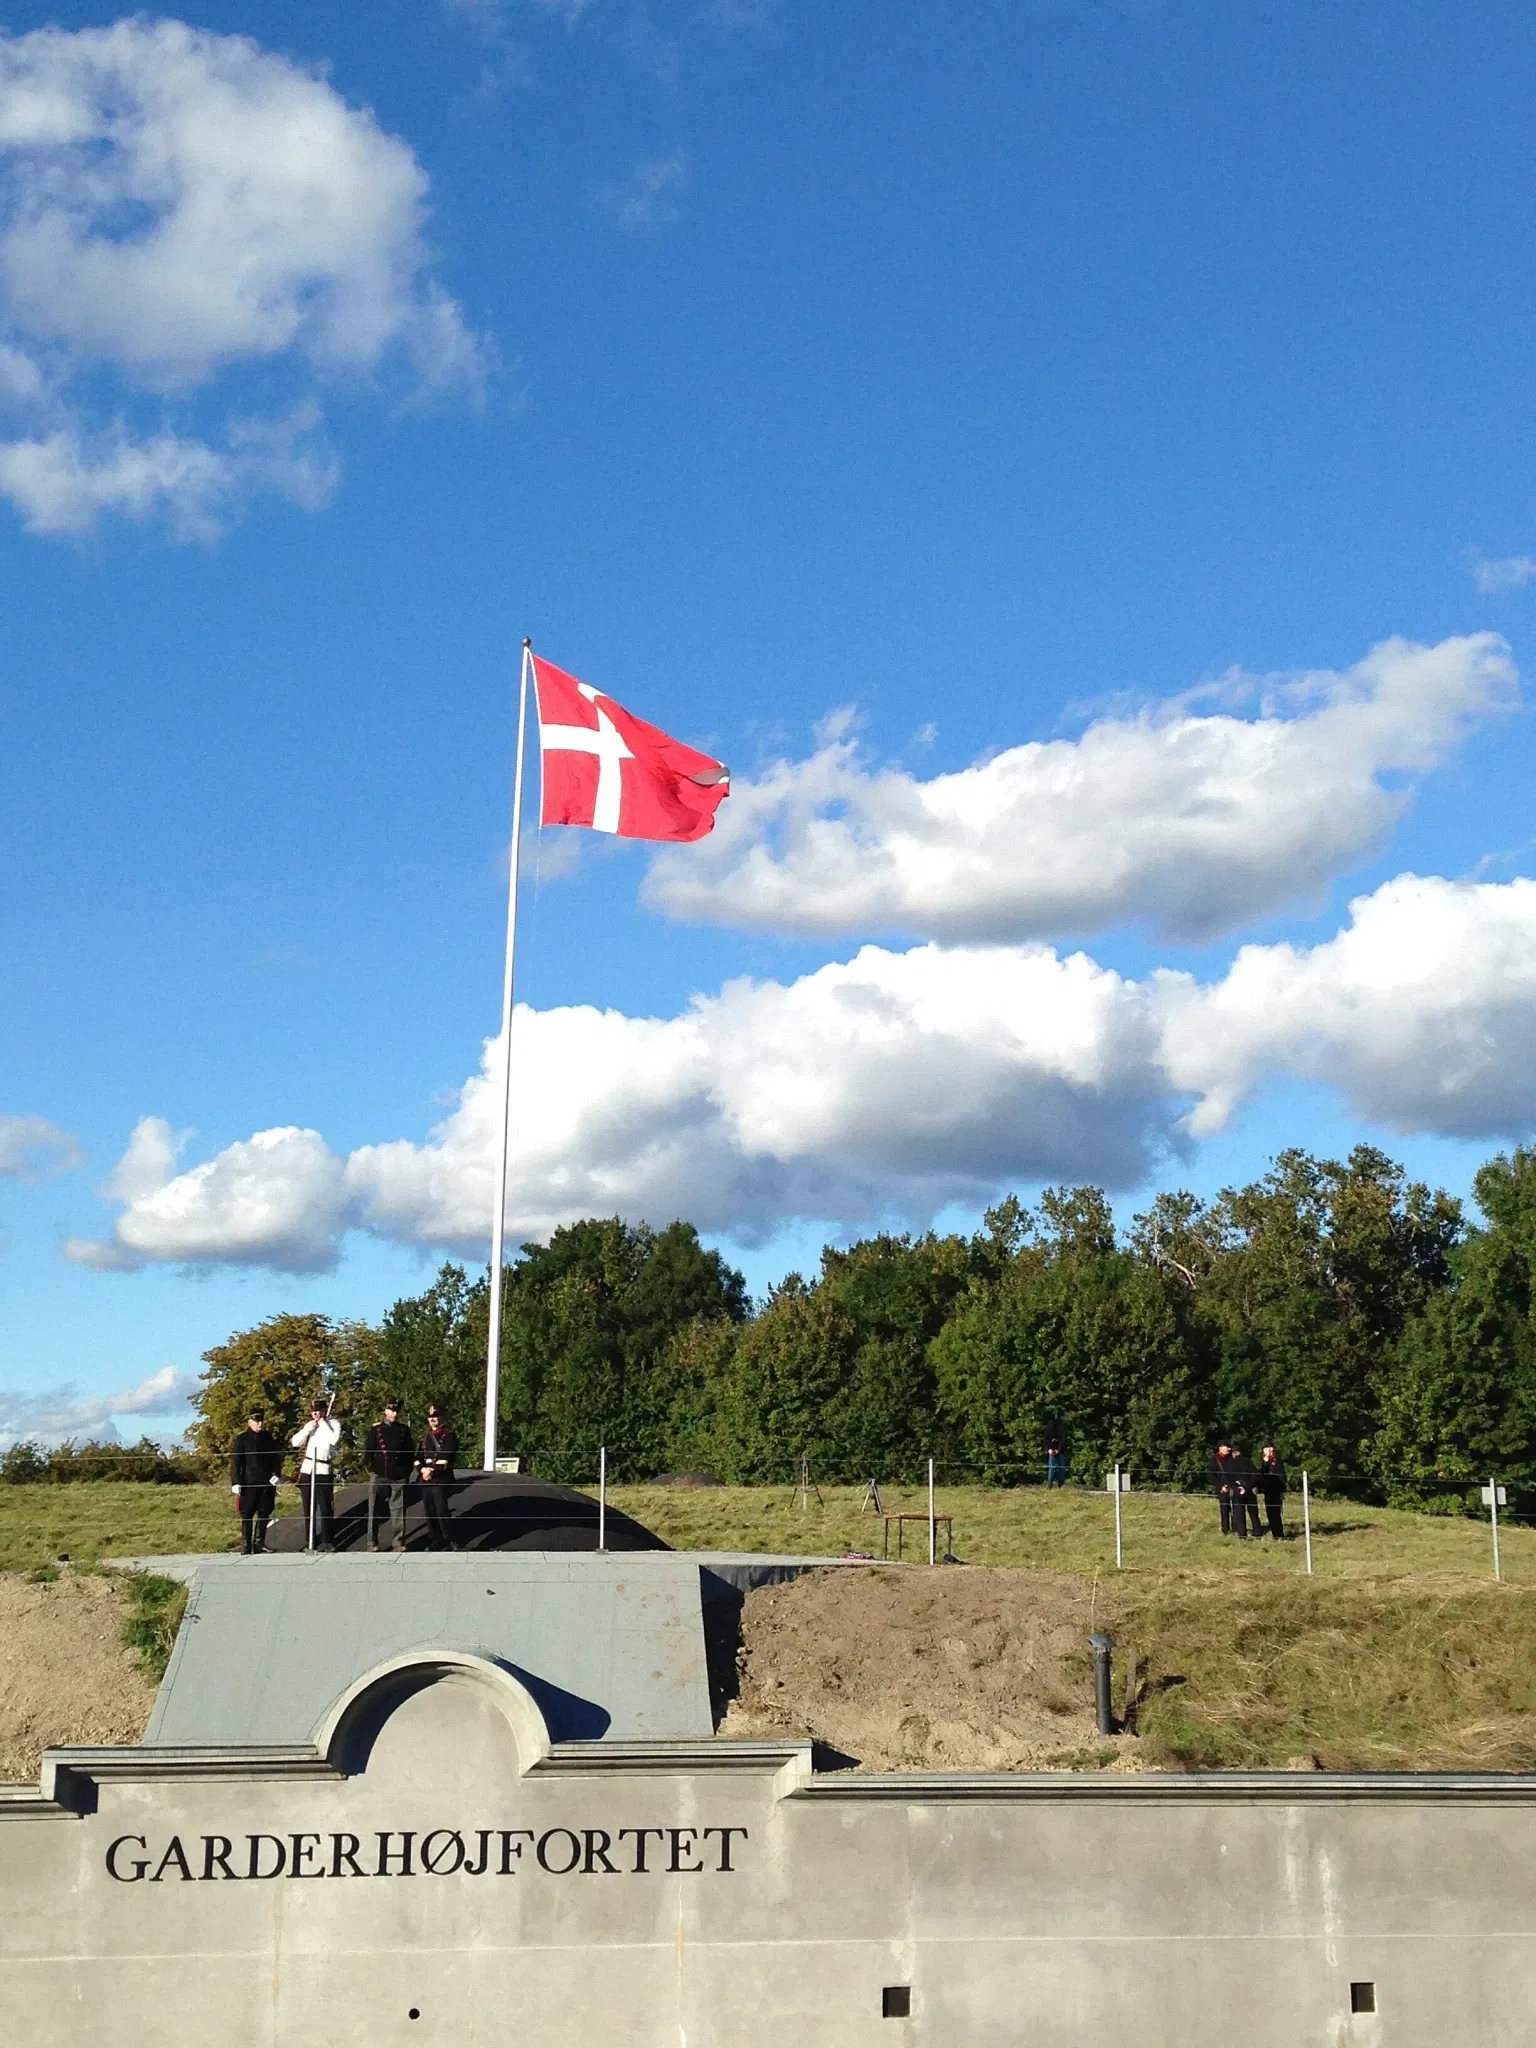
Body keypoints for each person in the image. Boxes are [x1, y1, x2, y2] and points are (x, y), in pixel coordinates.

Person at [229, 1407, 283, 1555]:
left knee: (264, 1512)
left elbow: (275, 1458)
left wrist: (277, 1474)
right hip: (249, 1482)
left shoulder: (268, 1437)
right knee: (247, 1514)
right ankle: (246, 1545)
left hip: (266, 1482)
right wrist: (235, 1482)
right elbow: (236, 1462)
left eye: (261, 1421)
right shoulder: (242, 1439)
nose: (260, 1424)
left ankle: (259, 1543)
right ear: (250, 1422)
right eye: (257, 1421)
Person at [291, 1399, 342, 1552]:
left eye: (318, 1411)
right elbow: (295, 1442)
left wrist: (323, 1424)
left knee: (326, 1507)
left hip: (323, 1470)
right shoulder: (310, 1425)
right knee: (308, 1508)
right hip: (308, 1469)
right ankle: (310, 1541)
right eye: (313, 1411)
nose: (315, 1414)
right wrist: (308, 1429)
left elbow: (333, 1440)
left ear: (324, 1411)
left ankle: (327, 1540)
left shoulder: (333, 1424)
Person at [365, 1399, 415, 1552]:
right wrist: (372, 1468)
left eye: (396, 1411)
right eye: (391, 1410)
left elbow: (409, 1452)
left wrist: (406, 1471)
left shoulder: (403, 1430)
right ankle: (371, 1542)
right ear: (385, 1412)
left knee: (398, 1509)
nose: (394, 1414)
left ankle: (398, 1542)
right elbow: (368, 1452)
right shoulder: (376, 1430)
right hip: (380, 1473)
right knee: (374, 1508)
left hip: (398, 1474)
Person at [416, 1406, 460, 1552]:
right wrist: (422, 1469)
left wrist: (431, 1471)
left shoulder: (449, 1435)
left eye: (435, 1416)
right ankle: (435, 1540)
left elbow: (446, 1457)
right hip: (425, 1479)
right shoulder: (425, 1438)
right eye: (430, 1417)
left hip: (440, 1478)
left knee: (442, 1511)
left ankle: (449, 1539)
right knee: (429, 1511)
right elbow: (418, 1457)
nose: (432, 1419)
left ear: (440, 1417)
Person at [1228, 1442, 1260, 1539]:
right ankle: (1257, 1532)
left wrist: (1236, 1487)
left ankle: (1242, 1534)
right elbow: (1255, 1476)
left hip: (1237, 1490)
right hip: (1248, 1489)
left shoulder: (1229, 1463)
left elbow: (1228, 1478)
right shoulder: (1248, 1461)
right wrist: (1247, 1487)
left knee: (1239, 1513)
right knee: (1253, 1513)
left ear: (1232, 1453)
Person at [1258, 1443, 1287, 1539]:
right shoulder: (1264, 1461)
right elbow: (1261, 1473)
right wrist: (1265, 1461)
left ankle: (1279, 1534)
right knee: (1269, 1512)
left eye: (1269, 1449)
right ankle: (1275, 1534)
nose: (1268, 1451)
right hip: (1267, 1490)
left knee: (1276, 1513)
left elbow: (1282, 1476)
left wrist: (1282, 1491)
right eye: (1265, 1449)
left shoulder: (1277, 1461)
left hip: (1276, 1490)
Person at [1208, 1442, 1234, 1534]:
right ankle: (1226, 1529)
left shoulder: (1232, 1457)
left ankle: (1236, 1527)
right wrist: (1220, 1486)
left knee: (1236, 1507)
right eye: (1227, 1447)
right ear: (1220, 1447)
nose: (1229, 1449)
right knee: (1224, 1507)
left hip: (1233, 1485)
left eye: (1229, 1447)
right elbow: (1211, 1475)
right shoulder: (1214, 1459)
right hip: (1221, 1486)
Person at [1044, 1412, 1069, 1488]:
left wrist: (1058, 1449)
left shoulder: (1063, 1426)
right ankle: (1050, 1484)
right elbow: (1046, 1439)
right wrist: (1049, 1449)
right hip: (1052, 1449)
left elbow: (1063, 1439)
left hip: (1061, 1450)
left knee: (1061, 1467)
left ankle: (1060, 1485)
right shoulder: (1049, 1426)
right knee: (1052, 1467)